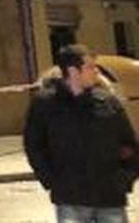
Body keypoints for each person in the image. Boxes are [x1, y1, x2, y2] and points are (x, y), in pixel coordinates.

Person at [24, 43, 139, 223]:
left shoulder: (108, 102)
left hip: (110, 197)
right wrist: (51, 181)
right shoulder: (45, 104)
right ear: (73, 71)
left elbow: (130, 144)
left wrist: (125, 180)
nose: (96, 72)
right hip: (71, 199)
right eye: (90, 67)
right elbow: (34, 145)